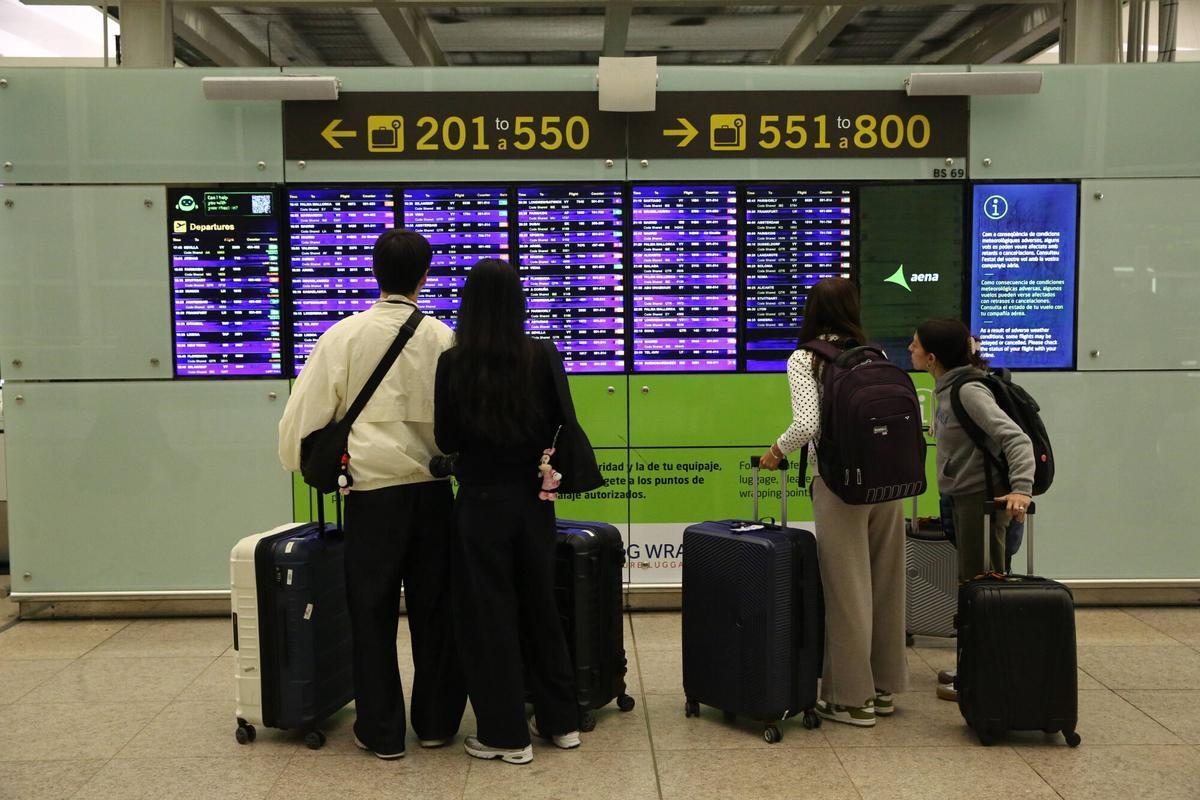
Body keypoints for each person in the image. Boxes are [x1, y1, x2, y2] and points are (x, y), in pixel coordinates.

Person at [278, 229, 466, 759]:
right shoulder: (442, 337)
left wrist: (299, 461)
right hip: (433, 493)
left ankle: (382, 731)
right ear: (424, 276)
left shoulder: (343, 336)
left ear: (375, 273)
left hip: (371, 497)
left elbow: (302, 417)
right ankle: (434, 724)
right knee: (435, 613)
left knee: (371, 614)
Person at [434, 259, 581, 766]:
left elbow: (446, 438)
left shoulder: (453, 364)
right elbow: (564, 422)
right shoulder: (541, 354)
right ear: (519, 302)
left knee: (488, 616)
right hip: (532, 501)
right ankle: (561, 721)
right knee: (541, 604)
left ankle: (504, 734)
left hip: (478, 504)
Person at [759, 277, 908, 728]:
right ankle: (883, 689)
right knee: (886, 585)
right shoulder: (874, 354)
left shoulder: (805, 358)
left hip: (841, 485)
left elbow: (806, 424)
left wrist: (777, 451)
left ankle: (851, 698)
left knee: (846, 590)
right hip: (890, 483)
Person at [909, 318, 1035, 701]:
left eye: (914, 346)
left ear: (931, 358)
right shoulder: (946, 389)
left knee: (983, 590)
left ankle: (987, 678)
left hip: (982, 505)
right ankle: (974, 666)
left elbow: (1016, 438)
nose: (910, 350)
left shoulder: (968, 391)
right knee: (971, 588)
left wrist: (1021, 490)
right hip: (962, 499)